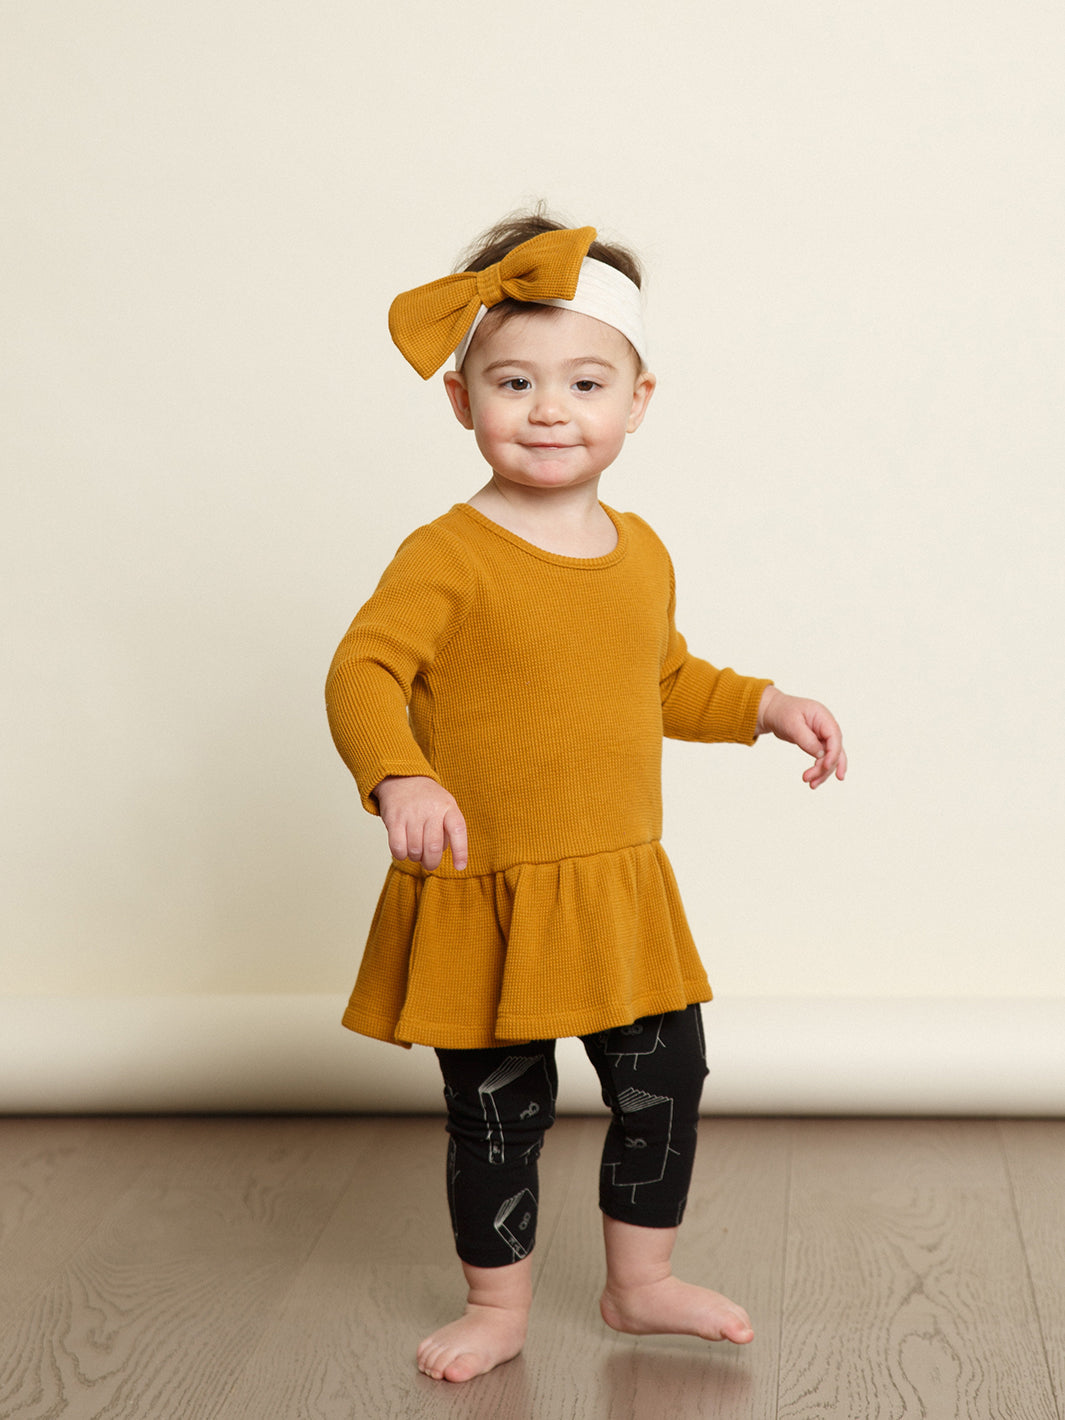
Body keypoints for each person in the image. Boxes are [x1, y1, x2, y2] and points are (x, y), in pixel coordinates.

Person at [326, 212, 846, 1383]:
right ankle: (495, 1302)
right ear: (462, 400)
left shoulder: (641, 548)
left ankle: (639, 1280)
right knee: (500, 1112)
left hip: (616, 887)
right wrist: (400, 771)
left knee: (666, 1080)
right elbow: (362, 671)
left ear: (637, 400)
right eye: (514, 382)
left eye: (584, 383)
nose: (549, 410)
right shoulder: (447, 554)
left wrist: (765, 704)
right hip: (491, 890)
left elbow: (664, 679)